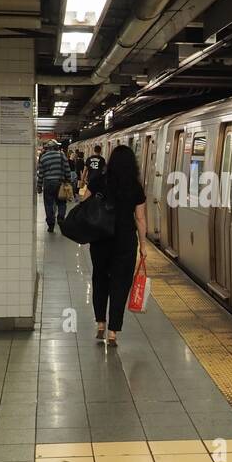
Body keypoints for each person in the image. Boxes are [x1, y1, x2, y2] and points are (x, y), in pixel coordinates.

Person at [89, 144, 147, 347]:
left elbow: (85, 202)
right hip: (125, 240)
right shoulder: (136, 187)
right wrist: (144, 246)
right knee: (120, 284)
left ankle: (100, 324)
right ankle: (113, 332)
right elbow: (140, 219)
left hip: (100, 239)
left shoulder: (99, 181)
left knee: (100, 279)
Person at [36, 140, 70, 233]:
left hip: (48, 183)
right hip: (60, 182)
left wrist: (39, 186)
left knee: (48, 204)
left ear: (47, 148)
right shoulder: (61, 155)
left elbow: (41, 173)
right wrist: (68, 180)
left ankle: (51, 224)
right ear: (56, 147)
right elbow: (67, 168)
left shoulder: (43, 157)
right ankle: (60, 218)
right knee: (62, 202)